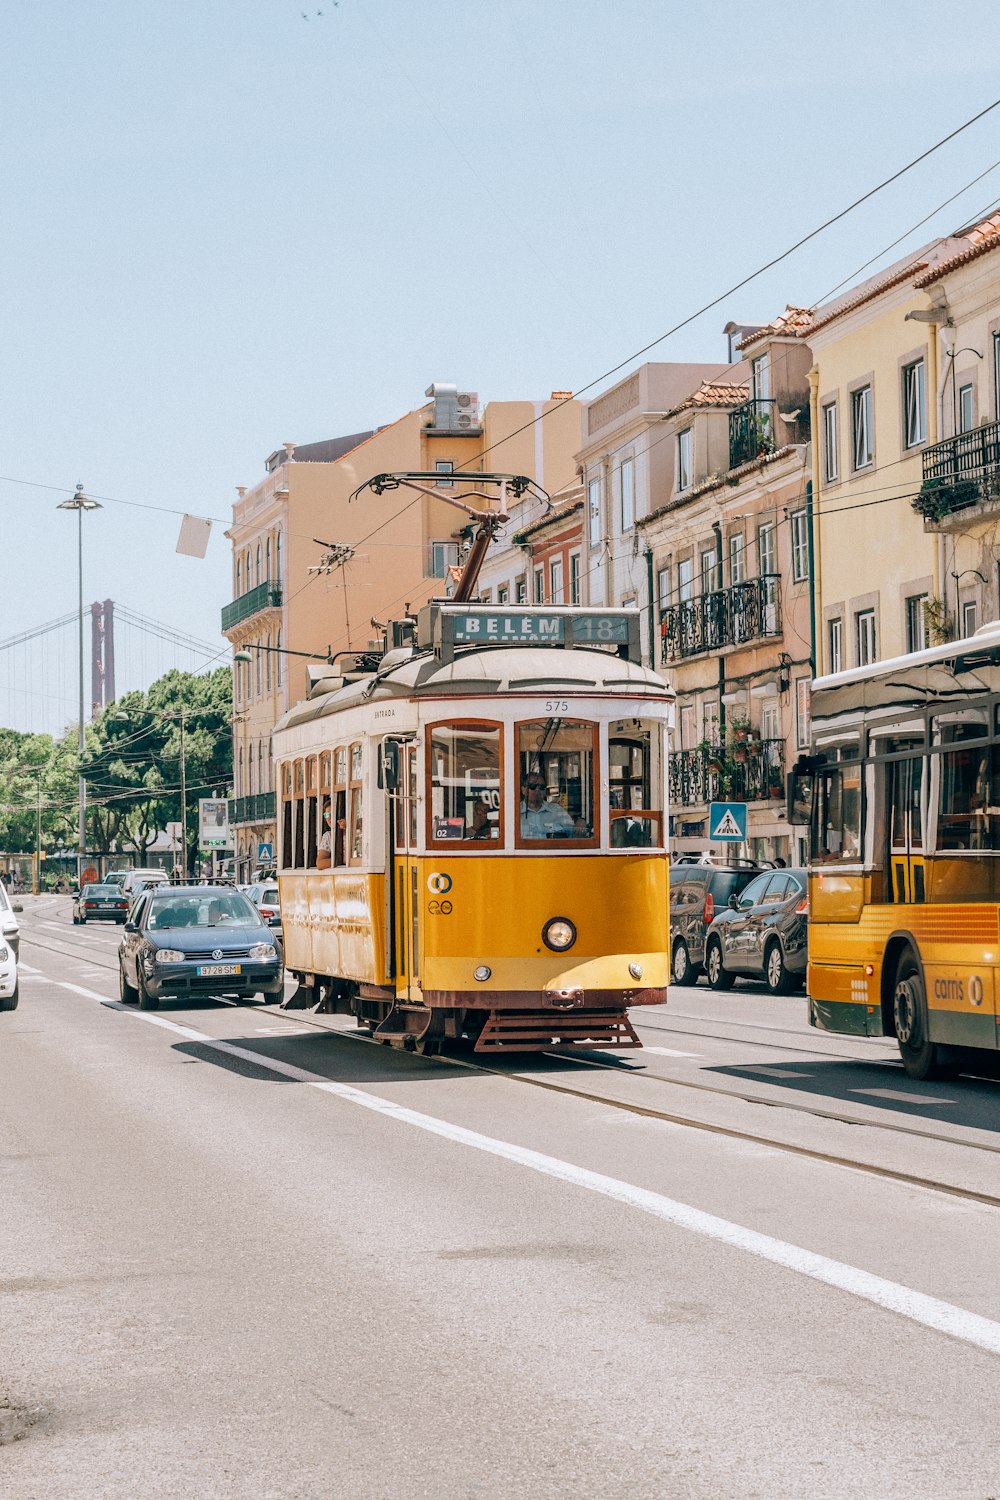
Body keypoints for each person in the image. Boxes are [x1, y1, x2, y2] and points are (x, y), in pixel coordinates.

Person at [520, 770, 575, 839]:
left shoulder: (557, 810)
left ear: (545, 791)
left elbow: (574, 833)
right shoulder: (514, 814)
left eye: (542, 787)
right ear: (523, 790)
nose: (537, 790)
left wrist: (581, 822)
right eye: (533, 786)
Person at [317, 802, 332, 870]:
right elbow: (320, 864)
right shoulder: (329, 835)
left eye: (332, 814)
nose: (329, 818)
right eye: (327, 815)